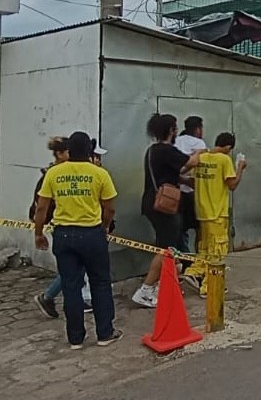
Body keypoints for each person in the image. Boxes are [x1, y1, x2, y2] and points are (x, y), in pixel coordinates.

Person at [33, 132, 122, 349]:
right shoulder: (100, 173)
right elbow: (109, 207)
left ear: (69, 151)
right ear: (90, 153)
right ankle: (104, 333)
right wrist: (104, 226)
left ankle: (75, 339)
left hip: (63, 235)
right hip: (92, 234)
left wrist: (38, 233)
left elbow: (42, 206)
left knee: (71, 286)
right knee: (100, 283)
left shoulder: (54, 173)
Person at [133, 114, 201, 308]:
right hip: (164, 206)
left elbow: (170, 173)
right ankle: (145, 290)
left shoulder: (152, 150)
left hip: (152, 201)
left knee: (167, 248)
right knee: (165, 250)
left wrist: (186, 181)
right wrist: (202, 150)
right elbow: (192, 162)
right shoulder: (167, 150)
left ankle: (163, 286)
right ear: (171, 130)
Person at [33, 137, 93, 318]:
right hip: (60, 225)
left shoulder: (69, 171)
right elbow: (41, 206)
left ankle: (55, 297)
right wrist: (39, 230)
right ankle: (50, 296)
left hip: (67, 226)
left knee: (75, 266)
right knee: (74, 267)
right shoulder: (53, 174)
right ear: (60, 154)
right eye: (68, 152)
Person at [183, 132, 246, 298]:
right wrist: (240, 167)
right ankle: (209, 287)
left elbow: (190, 179)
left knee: (205, 247)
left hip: (202, 211)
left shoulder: (201, 157)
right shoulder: (224, 159)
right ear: (228, 147)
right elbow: (232, 184)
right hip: (217, 213)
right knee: (217, 251)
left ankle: (193, 272)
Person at [174, 116, 208, 265]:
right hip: (191, 193)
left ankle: (182, 259)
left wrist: (177, 176)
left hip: (175, 192)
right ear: (198, 129)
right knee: (200, 227)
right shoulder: (198, 143)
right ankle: (194, 262)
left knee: (180, 229)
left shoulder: (176, 141)